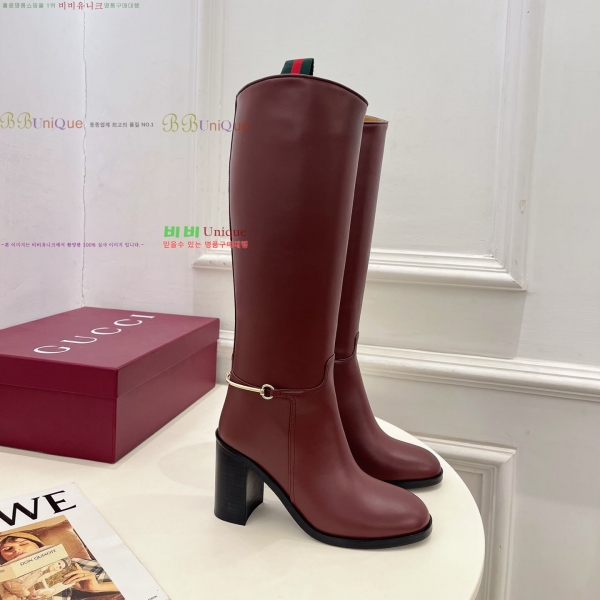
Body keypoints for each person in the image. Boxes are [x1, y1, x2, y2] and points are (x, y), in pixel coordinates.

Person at [0, 533, 120, 600]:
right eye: (8, 549)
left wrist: (99, 587)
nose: (17, 549)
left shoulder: (72, 563)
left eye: (23, 543)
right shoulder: (7, 583)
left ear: (39, 546)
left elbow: (129, 579)